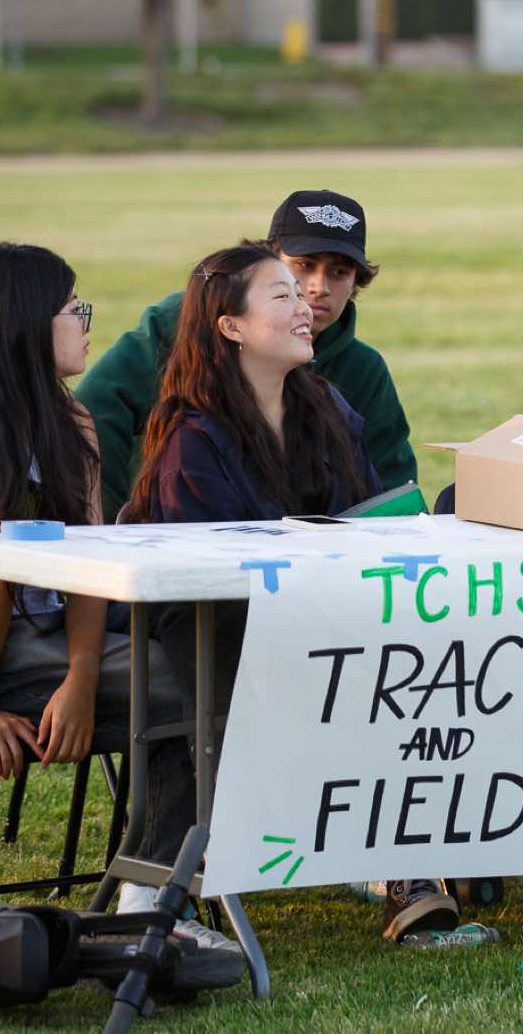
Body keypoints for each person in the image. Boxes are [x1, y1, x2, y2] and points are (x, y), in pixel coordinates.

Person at [0, 243, 215, 949]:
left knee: (203, 660)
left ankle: (154, 892)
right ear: (25, 322)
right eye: (72, 309)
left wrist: (84, 675)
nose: (86, 323)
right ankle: (152, 906)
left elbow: (87, 567)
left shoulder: (72, 422)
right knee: (199, 683)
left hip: (45, 642)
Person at [123, 242, 455, 944]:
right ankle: (153, 899)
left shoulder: (324, 406)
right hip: (219, 632)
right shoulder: (193, 439)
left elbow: (367, 519)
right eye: (283, 295)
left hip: (317, 615)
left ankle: (409, 859)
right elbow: (211, 577)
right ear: (231, 326)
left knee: (430, 654)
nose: (306, 306)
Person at [78, 189, 414, 521]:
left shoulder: (345, 389)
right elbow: (97, 407)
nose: (318, 288)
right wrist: (110, 528)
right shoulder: (180, 330)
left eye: (340, 272)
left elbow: (389, 495)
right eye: (303, 266)